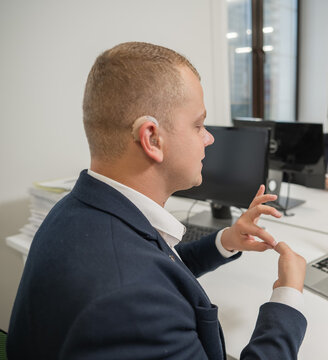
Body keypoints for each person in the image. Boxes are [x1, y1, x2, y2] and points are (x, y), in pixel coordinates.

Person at [8, 42, 307, 359]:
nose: (209, 138)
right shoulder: (130, 304)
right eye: (198, 125)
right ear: (152, 138)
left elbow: (159, 267)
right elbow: (143, 283)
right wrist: (287, 297)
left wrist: (227, 240)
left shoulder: (76, 210)